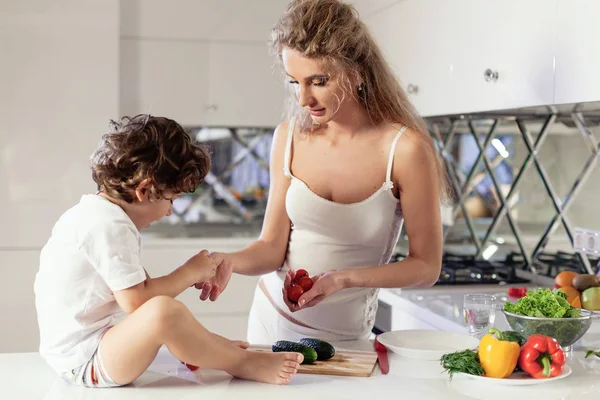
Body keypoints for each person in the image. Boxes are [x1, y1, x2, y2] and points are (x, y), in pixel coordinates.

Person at [197, 0, 450, 344]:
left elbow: (425, 267)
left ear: (358, 71)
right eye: (294, 82)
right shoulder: (288, 138)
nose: (303, 99)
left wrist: (344, 279)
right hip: (270, 321)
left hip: (345, 338)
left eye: (318, 81)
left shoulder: (405, 150)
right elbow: (272, 247)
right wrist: (230, 261)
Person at [33, 115, 303, 388]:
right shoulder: (109, 225)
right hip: (85, 361)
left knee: (166, 313)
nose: (170, 211)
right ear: (145, 190)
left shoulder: (94, 215)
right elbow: (140, 303)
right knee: (164, 313)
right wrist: (189, 272)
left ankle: (213, 352)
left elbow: (143, 293)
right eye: (171, 199)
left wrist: (205, 342)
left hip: (82, 352)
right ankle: (242, 363)